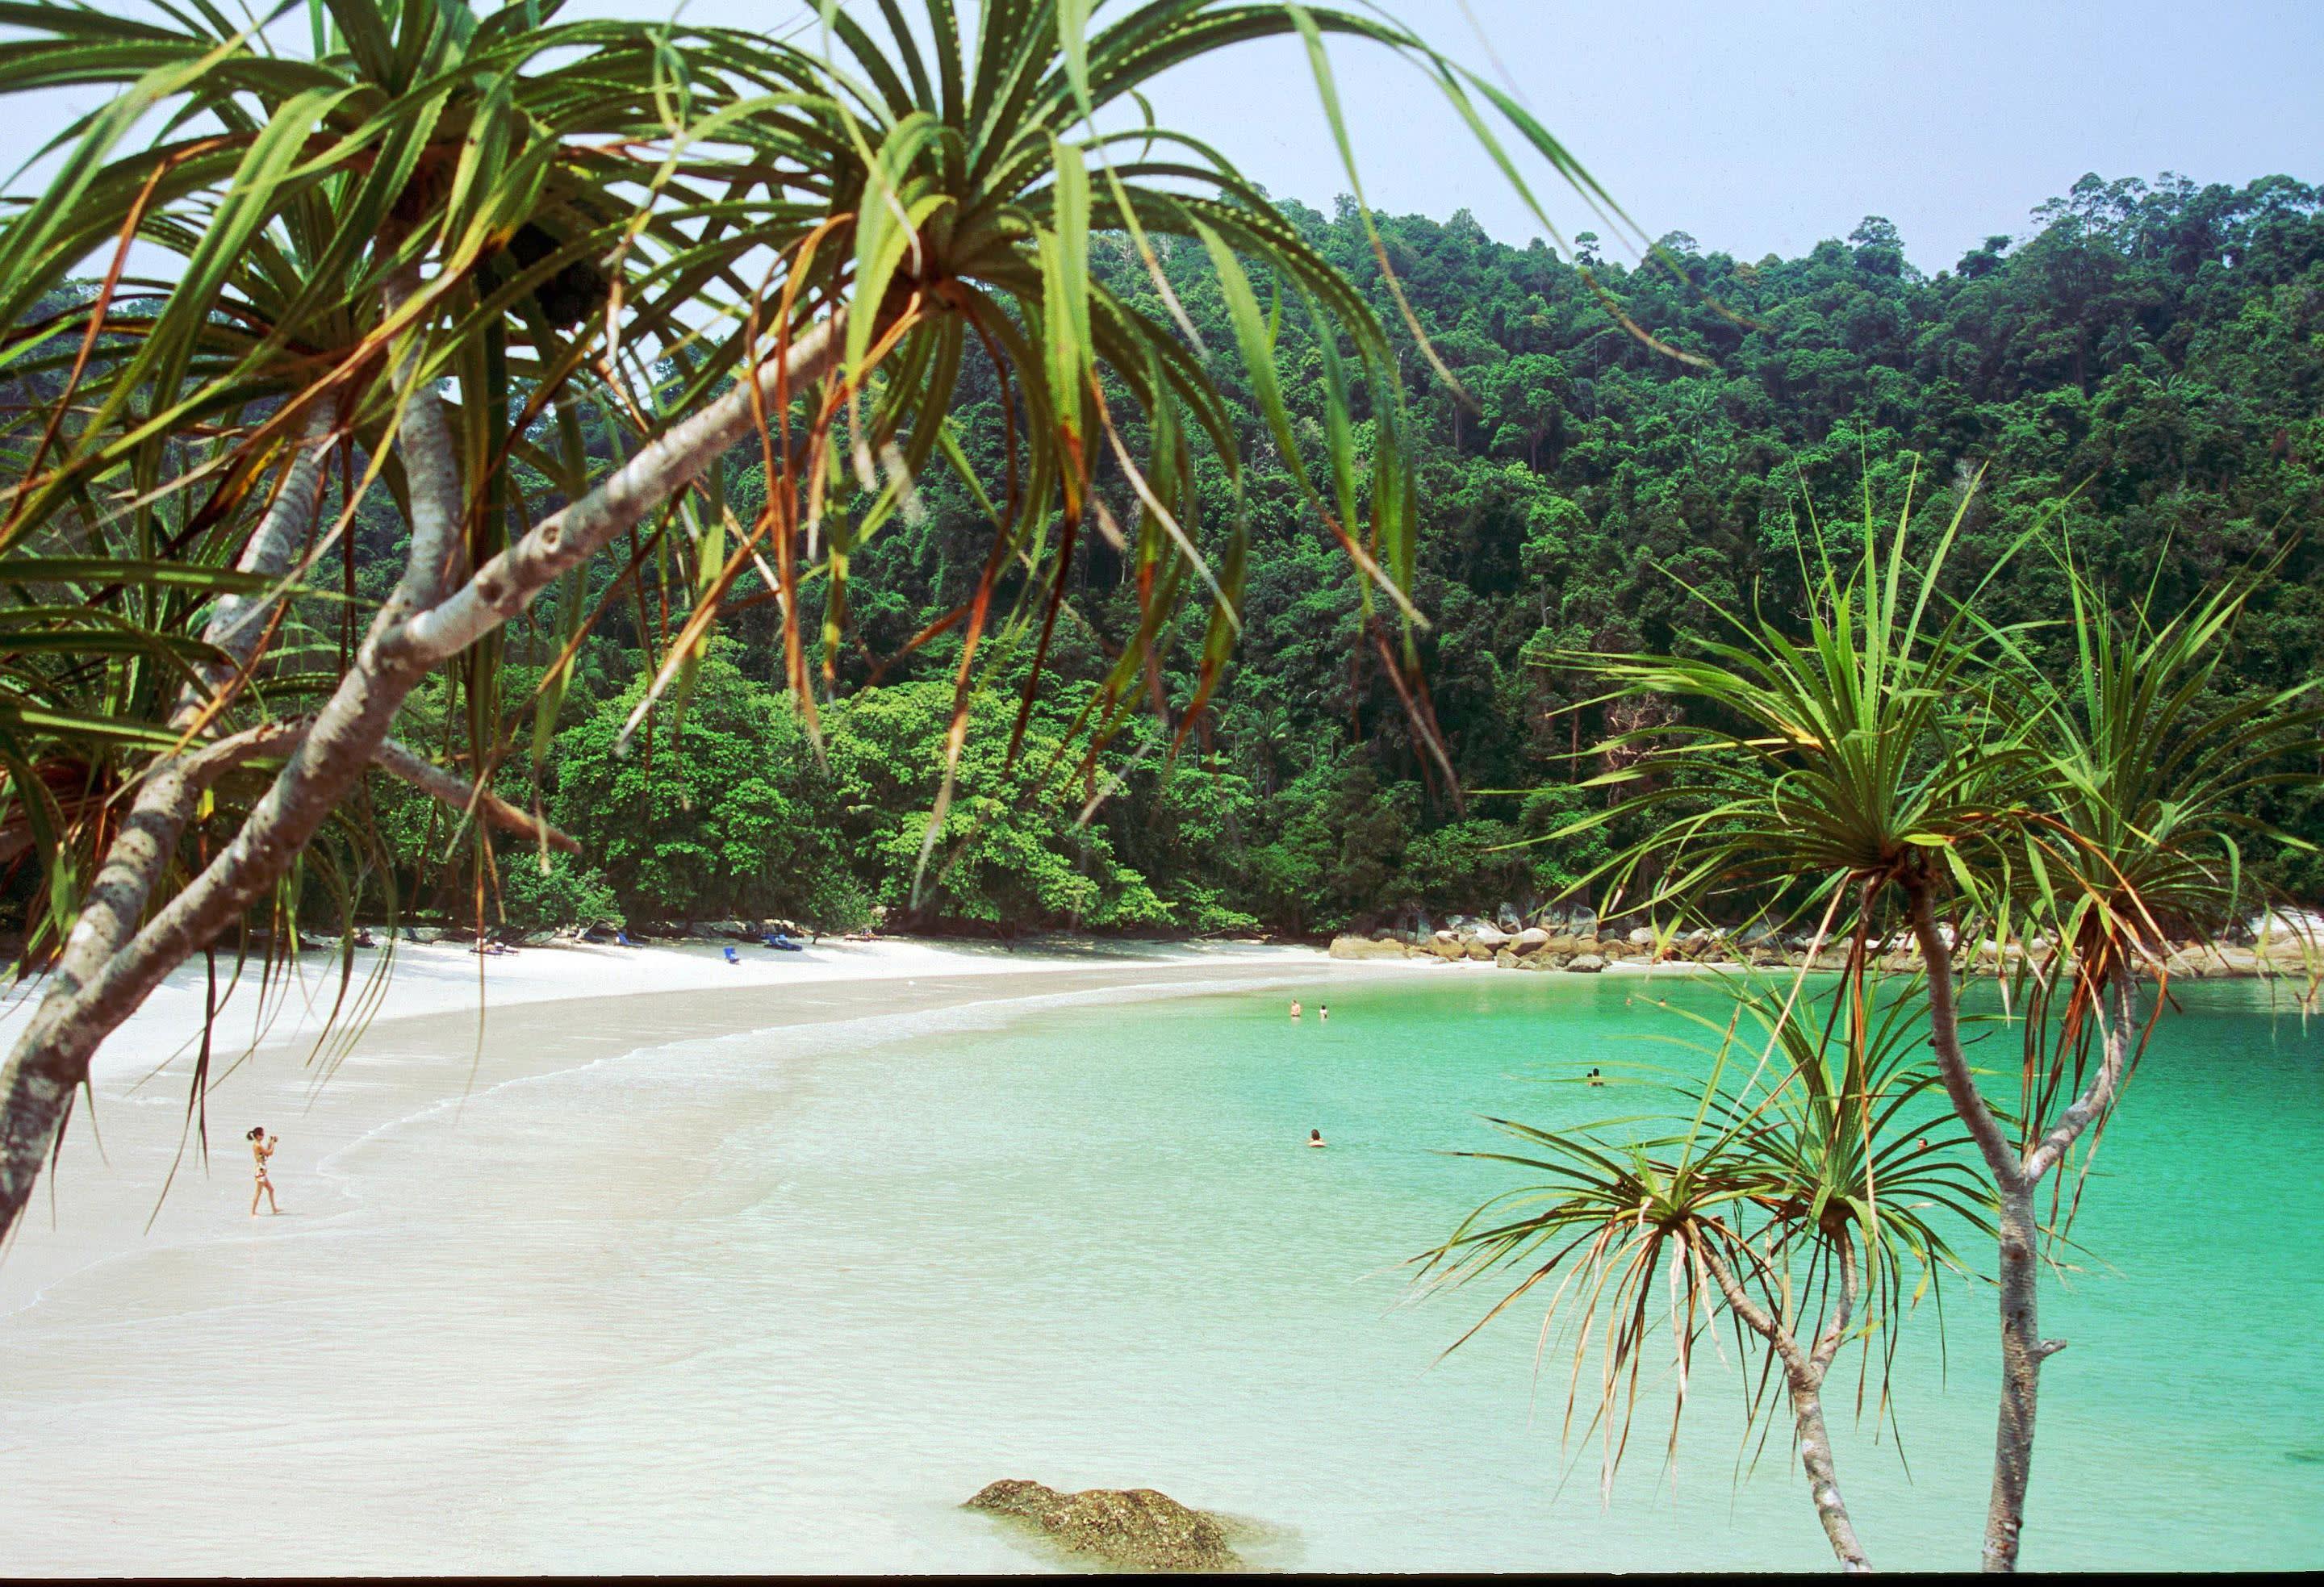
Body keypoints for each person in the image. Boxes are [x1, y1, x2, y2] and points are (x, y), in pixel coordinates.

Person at [247, 1126, 279, 1216]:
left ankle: (274, 1209)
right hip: (260, 1170)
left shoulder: (258, 1144)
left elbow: (265, 1154)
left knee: (271, 1189)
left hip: (262, 1170)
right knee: (258, 1192)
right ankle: (253, 1212)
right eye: (262, 1134)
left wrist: (271, 1143)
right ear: (257, 1136)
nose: (263, 1136)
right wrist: (273, 1143)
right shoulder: (257, 1145)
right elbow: (269, 1153)